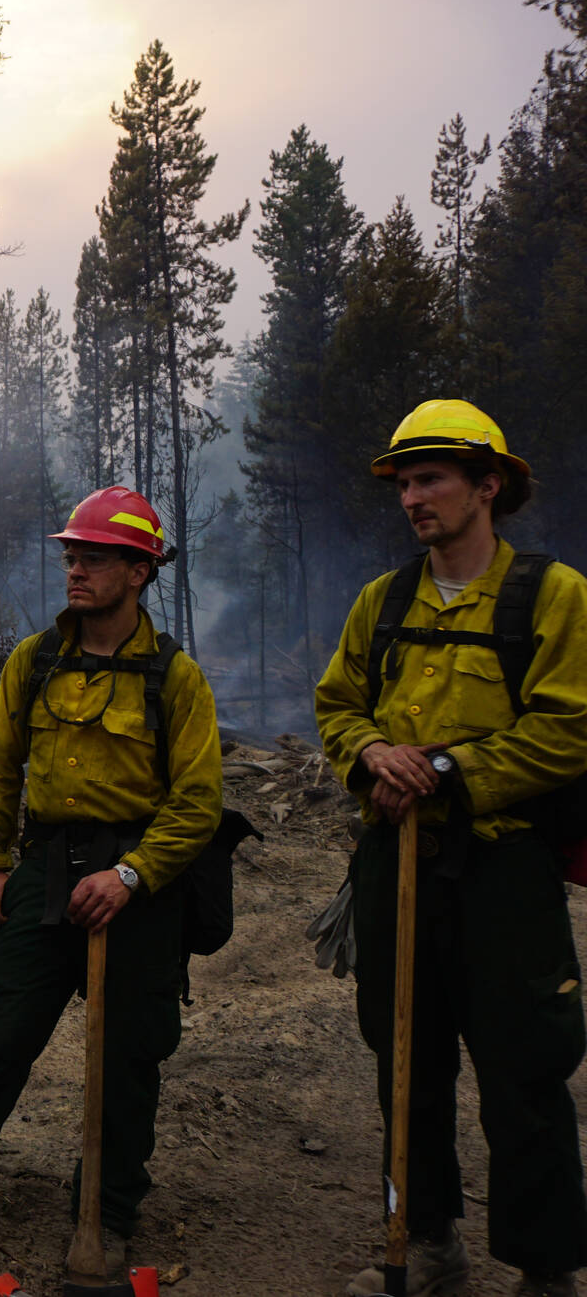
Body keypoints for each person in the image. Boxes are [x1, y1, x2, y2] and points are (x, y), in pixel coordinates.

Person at [0, 486, 220, 1283]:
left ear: (139, 569)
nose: (75, 567)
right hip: (46, 870)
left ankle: (108, 1214)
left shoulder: (175, 677)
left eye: (93, 556)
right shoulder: (35, 661)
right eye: (71, 554)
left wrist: (131, 874)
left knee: (127, 1061)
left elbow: (197, 803)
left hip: (139, 885)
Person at [315, 401, 586, 1297]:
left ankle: (545, 1265)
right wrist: (369, 752)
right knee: (405, 1059)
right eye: (403, 481)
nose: (412, 497)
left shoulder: (553, 596)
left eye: (431, 478)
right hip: (396, 863)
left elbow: (569, 727)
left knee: (525, 1069)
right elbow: (338, 704)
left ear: (489, 483)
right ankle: (424, 1240)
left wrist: (444, 768)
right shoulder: (380, 602)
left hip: (506, 871)